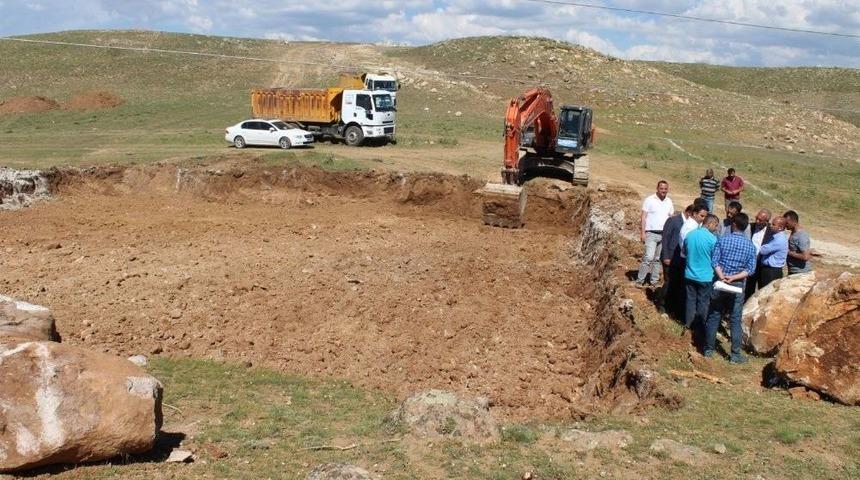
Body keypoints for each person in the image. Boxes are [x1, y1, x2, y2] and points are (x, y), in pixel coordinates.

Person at [704, 212, 757, 364]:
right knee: (735, 319)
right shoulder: (750, 246)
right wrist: (734, 278)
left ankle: (708, 349)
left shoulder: (722, 240)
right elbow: (750, 269)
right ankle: (735, 355)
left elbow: (715, 262)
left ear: (733, 225)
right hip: (737, 285)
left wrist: (722, 276)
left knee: (714, 315)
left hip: (720, 283)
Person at [683, 214, 719, 333]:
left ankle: (688, 324)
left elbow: (684, 252)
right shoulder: (712, 239)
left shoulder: (690, 235)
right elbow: (716, 258)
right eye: (716, 225)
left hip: (689, 274)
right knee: (703, 302)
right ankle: (699, 327)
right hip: (705, 277)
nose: (717, 229)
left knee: (690, 300)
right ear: (710, 223)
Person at [636, 180, 674, 287]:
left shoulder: (669, 201)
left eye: (665, 189)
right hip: (651, 234)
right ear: (657, 189)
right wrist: (643, 232)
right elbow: (643, 217)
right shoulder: (649, 200)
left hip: (664, 235)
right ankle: (640, 280)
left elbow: (671, 218)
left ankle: (654, 281)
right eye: (661, 188)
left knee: (658, 259)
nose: (663, 191)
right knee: (648, 257)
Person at [658, 205, 690, 316]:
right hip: (670, 256)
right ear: (689, 212)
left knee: (676, 282)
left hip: (680, 258)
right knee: (669, 281)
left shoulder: (689, 224)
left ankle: (671, 306)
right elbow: (665, 238)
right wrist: (666, 256)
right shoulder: (673, 220)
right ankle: (661, 303)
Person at [745, 208, 773, 299]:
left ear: (767, 221)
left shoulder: (771, 231)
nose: (757, 221)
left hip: (762, 264)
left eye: (760, 220)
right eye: (756, 218)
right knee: (748, 289)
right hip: (750, 263)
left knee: (762, 289)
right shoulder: (750, 227)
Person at [758, 216, 789, 289]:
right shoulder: (776, 236)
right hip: (769, 270)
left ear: (780, 227)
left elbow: (763, 251)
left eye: (773, 224)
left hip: (771, 272)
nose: (770, 226)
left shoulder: (779, 239)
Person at [784, 210, 813, 275]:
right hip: (794, 271)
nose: (785, 225)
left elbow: (805, 257)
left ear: (794, 222)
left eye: (787, 223)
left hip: (801, 273)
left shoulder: (801, 235)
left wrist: (789, 252)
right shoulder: (793, 232)